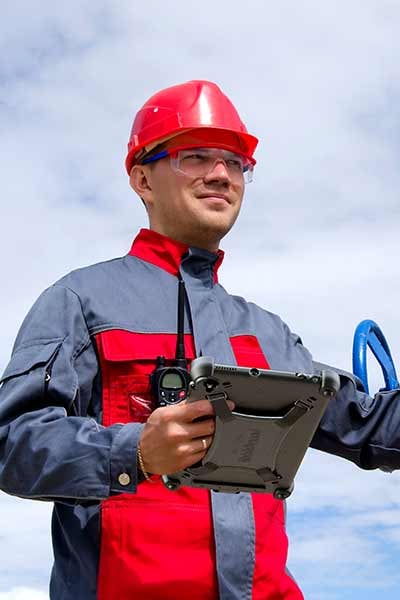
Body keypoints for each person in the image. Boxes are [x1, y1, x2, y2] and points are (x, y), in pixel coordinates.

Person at [0, 80, 399, 600]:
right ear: (142, 178)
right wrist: (134, 451)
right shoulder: (80, 300)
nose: (220, 174)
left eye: (235, 163)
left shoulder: (268, 332)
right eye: (196, 156)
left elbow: (369, 428)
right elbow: (12, 443)